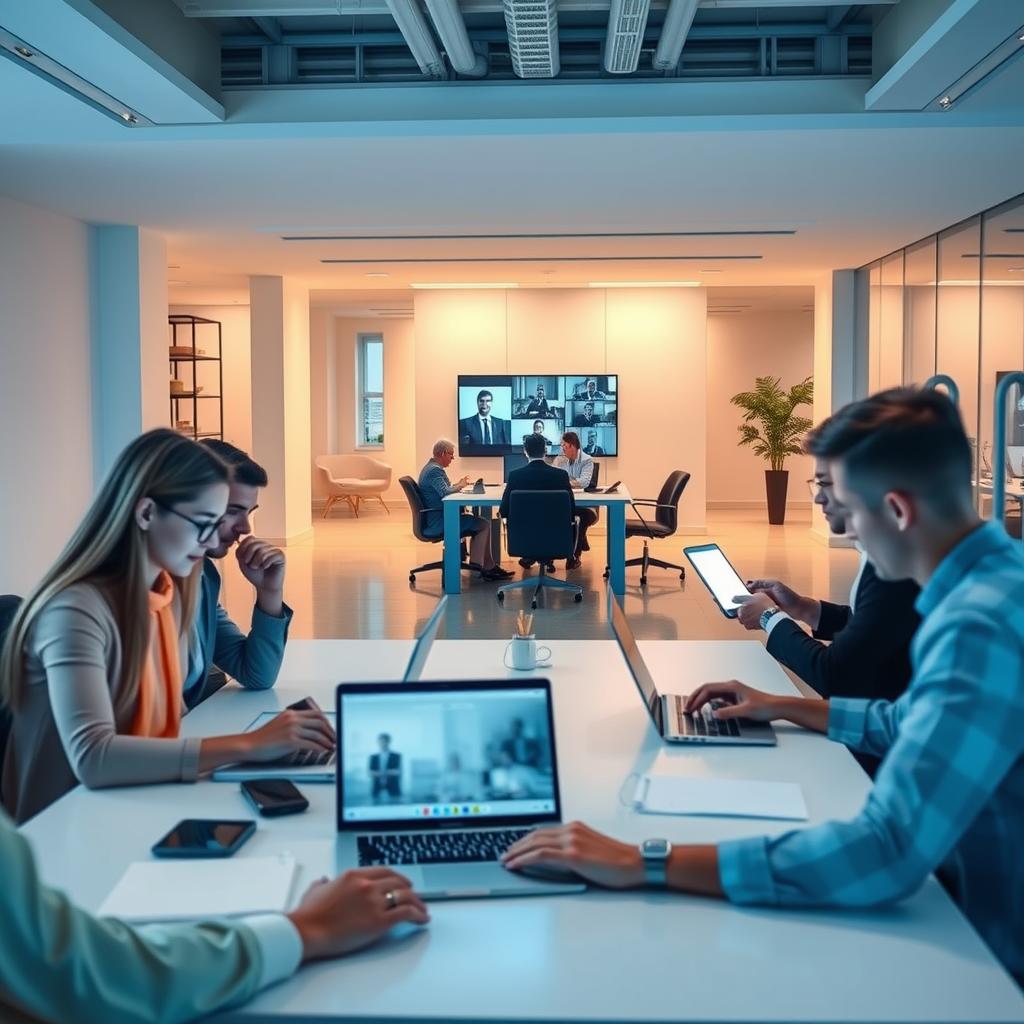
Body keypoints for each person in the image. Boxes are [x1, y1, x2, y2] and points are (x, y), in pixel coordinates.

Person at [502, 388, 1024, 987]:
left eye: (848, 511)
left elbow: (884, 851)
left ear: (899, 511)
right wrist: (781, 706)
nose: (845, 531)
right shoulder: (993, 586)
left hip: (990, 954)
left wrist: (642, 858)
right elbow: (917, 724)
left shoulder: (975, 628)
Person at [0, 430, 335, 824]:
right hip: (61, 826)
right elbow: (93, 758)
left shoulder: (161, 593)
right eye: (206, 522)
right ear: (145, 513)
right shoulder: (77, 608)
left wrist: (262, 746)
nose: (219, 538)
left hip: (130, 801)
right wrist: (249, 745)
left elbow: (177, 714)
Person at [0, 805, 428, 1023]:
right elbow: (97, 979)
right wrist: (305, 929)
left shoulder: (192, 628)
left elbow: (255, 673)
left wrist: (274, 626)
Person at [732, 453, 920, 707]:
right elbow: (868, 625)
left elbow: (834, 675)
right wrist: (802, 607)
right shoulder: (877, 554)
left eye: (825, 484)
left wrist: (769, 617)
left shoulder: (896, 569)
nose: (818, 497)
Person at [183, 439, 292, 709]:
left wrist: (269, 592)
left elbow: (257, 674)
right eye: (232, 512)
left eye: (249, 513)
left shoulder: (203, 577)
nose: (245, 529)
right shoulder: (136, 588)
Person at [417, 439, 513, 582]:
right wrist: (460, 485)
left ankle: (488, 566)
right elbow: (444, 492)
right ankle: (479, 566)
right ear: (443, 453)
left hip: (437, 516)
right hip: (439, 521)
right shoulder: (434, 470)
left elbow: (443, 490)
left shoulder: (431, 468)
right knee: (483, 525)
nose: (453, 458)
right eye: (451, 455)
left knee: (481, 523)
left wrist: (458, 485)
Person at [500, 432, 575, 572]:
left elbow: (503, 511)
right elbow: (572, 511)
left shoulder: (515, 476)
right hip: (556, 540)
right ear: (545, 451)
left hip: (523, 540)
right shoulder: (561, 476)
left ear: (525, 451)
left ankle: (529, 557)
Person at [553, 431, 597, 570]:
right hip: (565, 504)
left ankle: (573, 556)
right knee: (553, 514)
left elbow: (584, 482)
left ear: (572, 446)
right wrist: (570, 481)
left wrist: (564, 481)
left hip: (585, 507)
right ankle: (547, 558)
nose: (562, 449)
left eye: (564, 446)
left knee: (580, 517)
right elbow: (552, 479)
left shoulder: (587, 460)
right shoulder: (561, 459)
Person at [368, 733, 402, 801]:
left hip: (393, 787)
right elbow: (370, 773)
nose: (382, 744)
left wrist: (378, 773)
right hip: (377, 787)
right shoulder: (373, 757)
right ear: (378, 742)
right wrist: (388, 772)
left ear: (389, 742)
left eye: (384, 741)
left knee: (395, 805)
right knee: (374, 805)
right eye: (380, 741)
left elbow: (397, 772)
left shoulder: (396, 756)